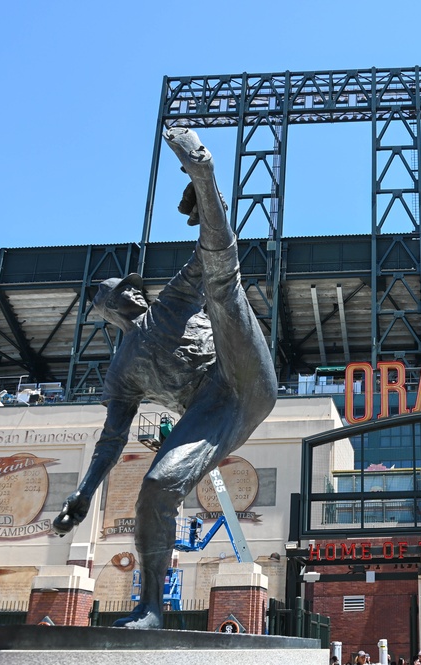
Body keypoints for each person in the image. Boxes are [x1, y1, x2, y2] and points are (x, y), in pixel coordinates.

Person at [51, 127, 279, 630]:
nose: (129, 296)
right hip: (211, 414)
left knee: (221, 283)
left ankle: (206, 168)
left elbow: (215, 248)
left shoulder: (172, 300)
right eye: (118, 296)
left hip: (242, 375)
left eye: (130, 290)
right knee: (156, 487)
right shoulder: (122, 371)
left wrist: (205, 191)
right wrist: (86, 493)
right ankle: (151, 608)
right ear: (111, 314)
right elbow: (111, 440)